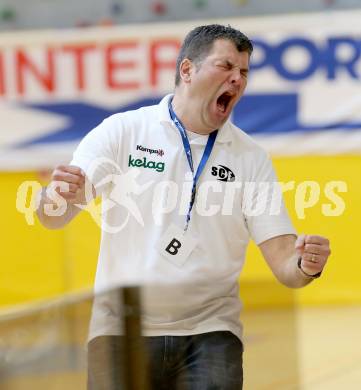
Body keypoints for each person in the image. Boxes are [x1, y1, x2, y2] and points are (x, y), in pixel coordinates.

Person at [37, 24, 331, 389]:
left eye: (243, 72)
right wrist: (54, 198)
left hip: (210, 332)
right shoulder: (123, 132)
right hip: (120, 328)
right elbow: (54, 217)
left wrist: (305, 264)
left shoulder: (251, 158)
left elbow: (286, 263)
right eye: (225, 66)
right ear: (187, 70)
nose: (237, 79)